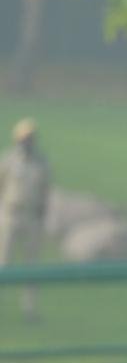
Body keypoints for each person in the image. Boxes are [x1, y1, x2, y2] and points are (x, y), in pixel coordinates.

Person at [0, 118, 51, 321]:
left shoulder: (41, 163)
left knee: (31, 265)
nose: (28, 141)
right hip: (11, 214)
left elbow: (45, 190)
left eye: (31, 137)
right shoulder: (8, 161)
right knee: (4, 262)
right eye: (25, 138)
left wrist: (41, 214)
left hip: (32, 216)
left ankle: (30, 308)